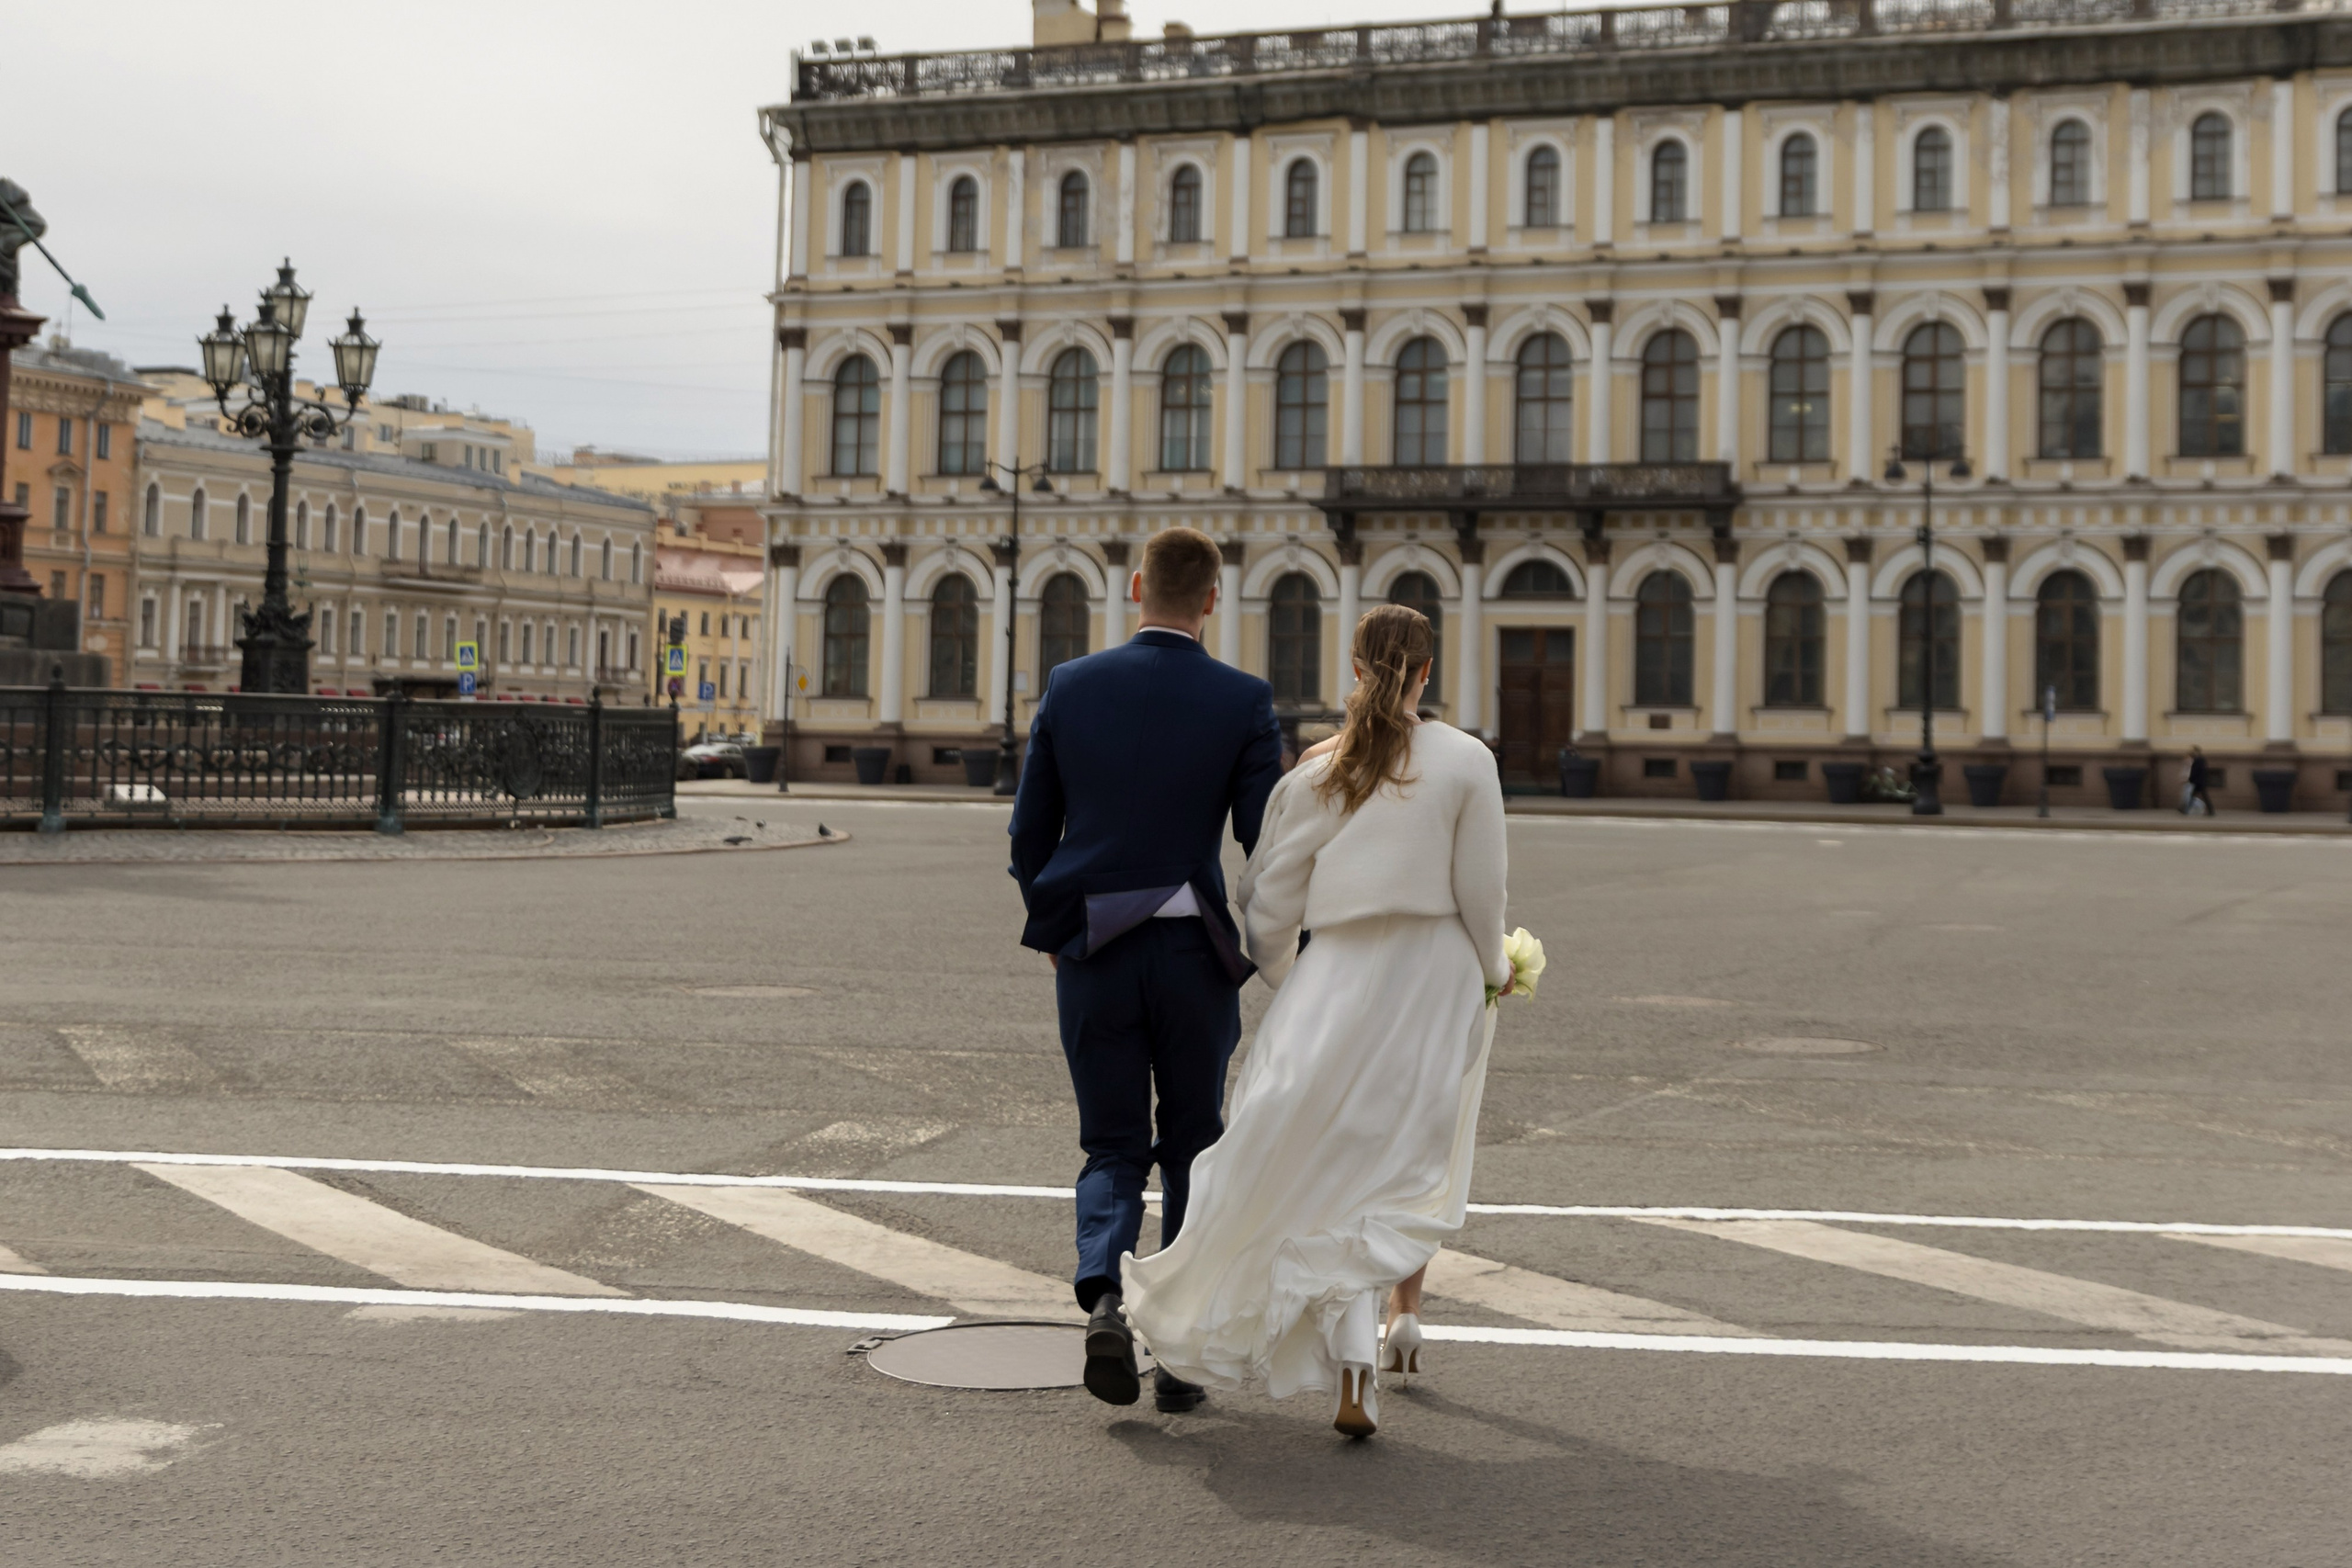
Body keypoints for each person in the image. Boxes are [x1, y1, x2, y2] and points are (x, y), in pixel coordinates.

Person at [1122, 604, 1510, 1439]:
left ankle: (1355, 1364)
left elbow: (1267, 897)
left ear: (1357, 668)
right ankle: (1374, 1351)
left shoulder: (1318, 772)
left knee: (1327, 1165)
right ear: (1428, 671)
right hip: (1431, 978)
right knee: (1396, 1167)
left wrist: (1292, 977)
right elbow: (1484, 895)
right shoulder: (1468, 761)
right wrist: (1494, 972)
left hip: (1336, 975)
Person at [1007, 525, 1284, 1415]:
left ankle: (1104, 1300)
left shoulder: (1071, 685)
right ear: (1211, 598)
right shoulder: (1241, 698)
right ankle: (1182, 1349)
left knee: (1111, 1143)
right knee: (1195, 1141)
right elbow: (1265, 845)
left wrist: (1054, 922)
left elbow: (1028, 832)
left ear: (1134, 588)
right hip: (1191, 955)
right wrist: (1284, 943)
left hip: (1093, 946)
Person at [2186, 746, 2216, 816]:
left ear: (2196, 752)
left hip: (2199, 782)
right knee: (2195, 796)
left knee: (2200, 796)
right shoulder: (2200, 760)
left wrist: (2191, 779)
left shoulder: (2199, 760)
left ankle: (2211, 811)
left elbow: (2196, 771)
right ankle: (2185, 809)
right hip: (2199, 781)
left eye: (2193, 751)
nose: (2192, 752)